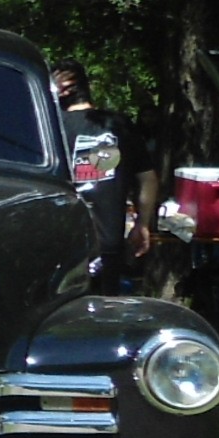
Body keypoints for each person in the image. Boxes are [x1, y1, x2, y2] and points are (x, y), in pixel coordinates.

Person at [52, 61, 149, 291]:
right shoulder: (118, 125)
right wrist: (142, 224)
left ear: (64, 88)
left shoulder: (52, 128)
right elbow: (148, 178)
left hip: (63, 245)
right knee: (105, 313)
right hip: (109, 244)